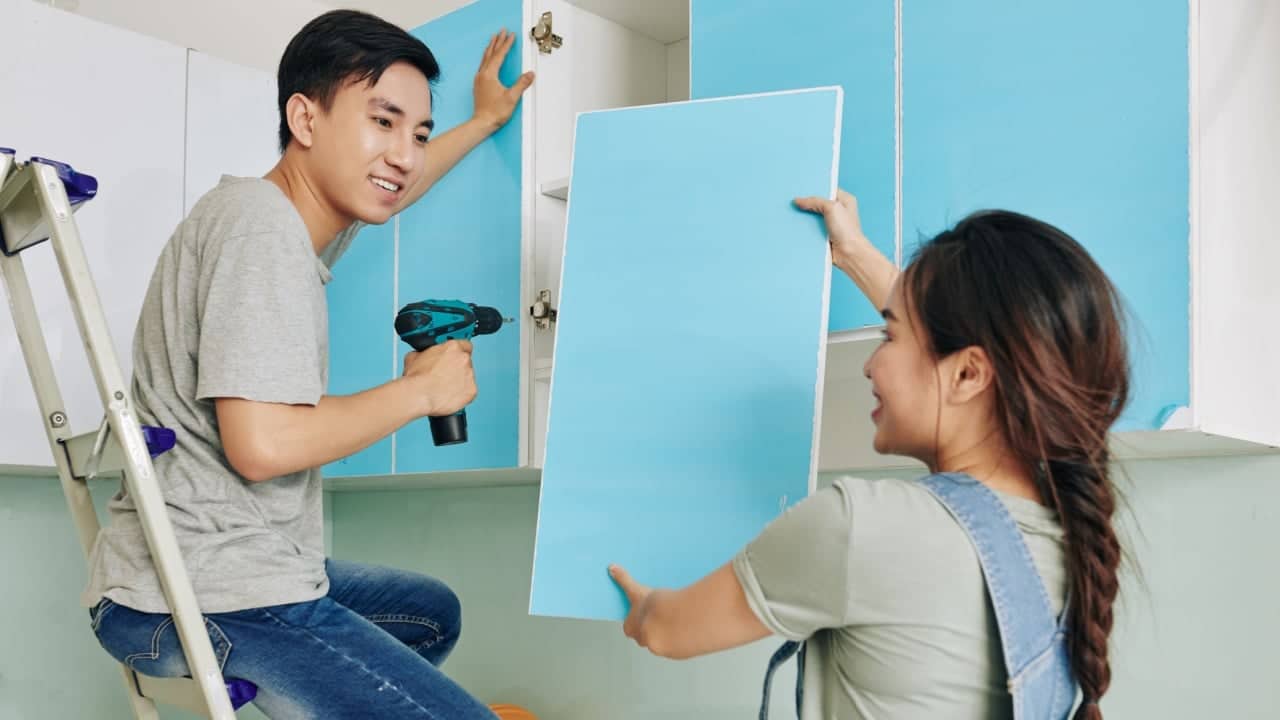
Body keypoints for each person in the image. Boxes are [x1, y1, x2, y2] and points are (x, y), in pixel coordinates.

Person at [84, 10, 532, 718]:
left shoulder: (279, 221)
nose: (405, 154)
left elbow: (395, 186)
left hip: (193, 576)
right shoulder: (261, 230)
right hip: (203, 593)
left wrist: (481, 123)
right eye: (382, 122)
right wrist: (420, 392)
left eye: (416, 133)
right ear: (305, 117)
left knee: (429, 614)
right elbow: (263, 447)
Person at [610, 190, 1129, 720]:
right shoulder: (1066, 538)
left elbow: (665, 630)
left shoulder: (862, 527)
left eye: (887, 335)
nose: (870, 366)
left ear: (970, 374)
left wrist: (635, 601)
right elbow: (956, 349)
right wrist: (854, 252)